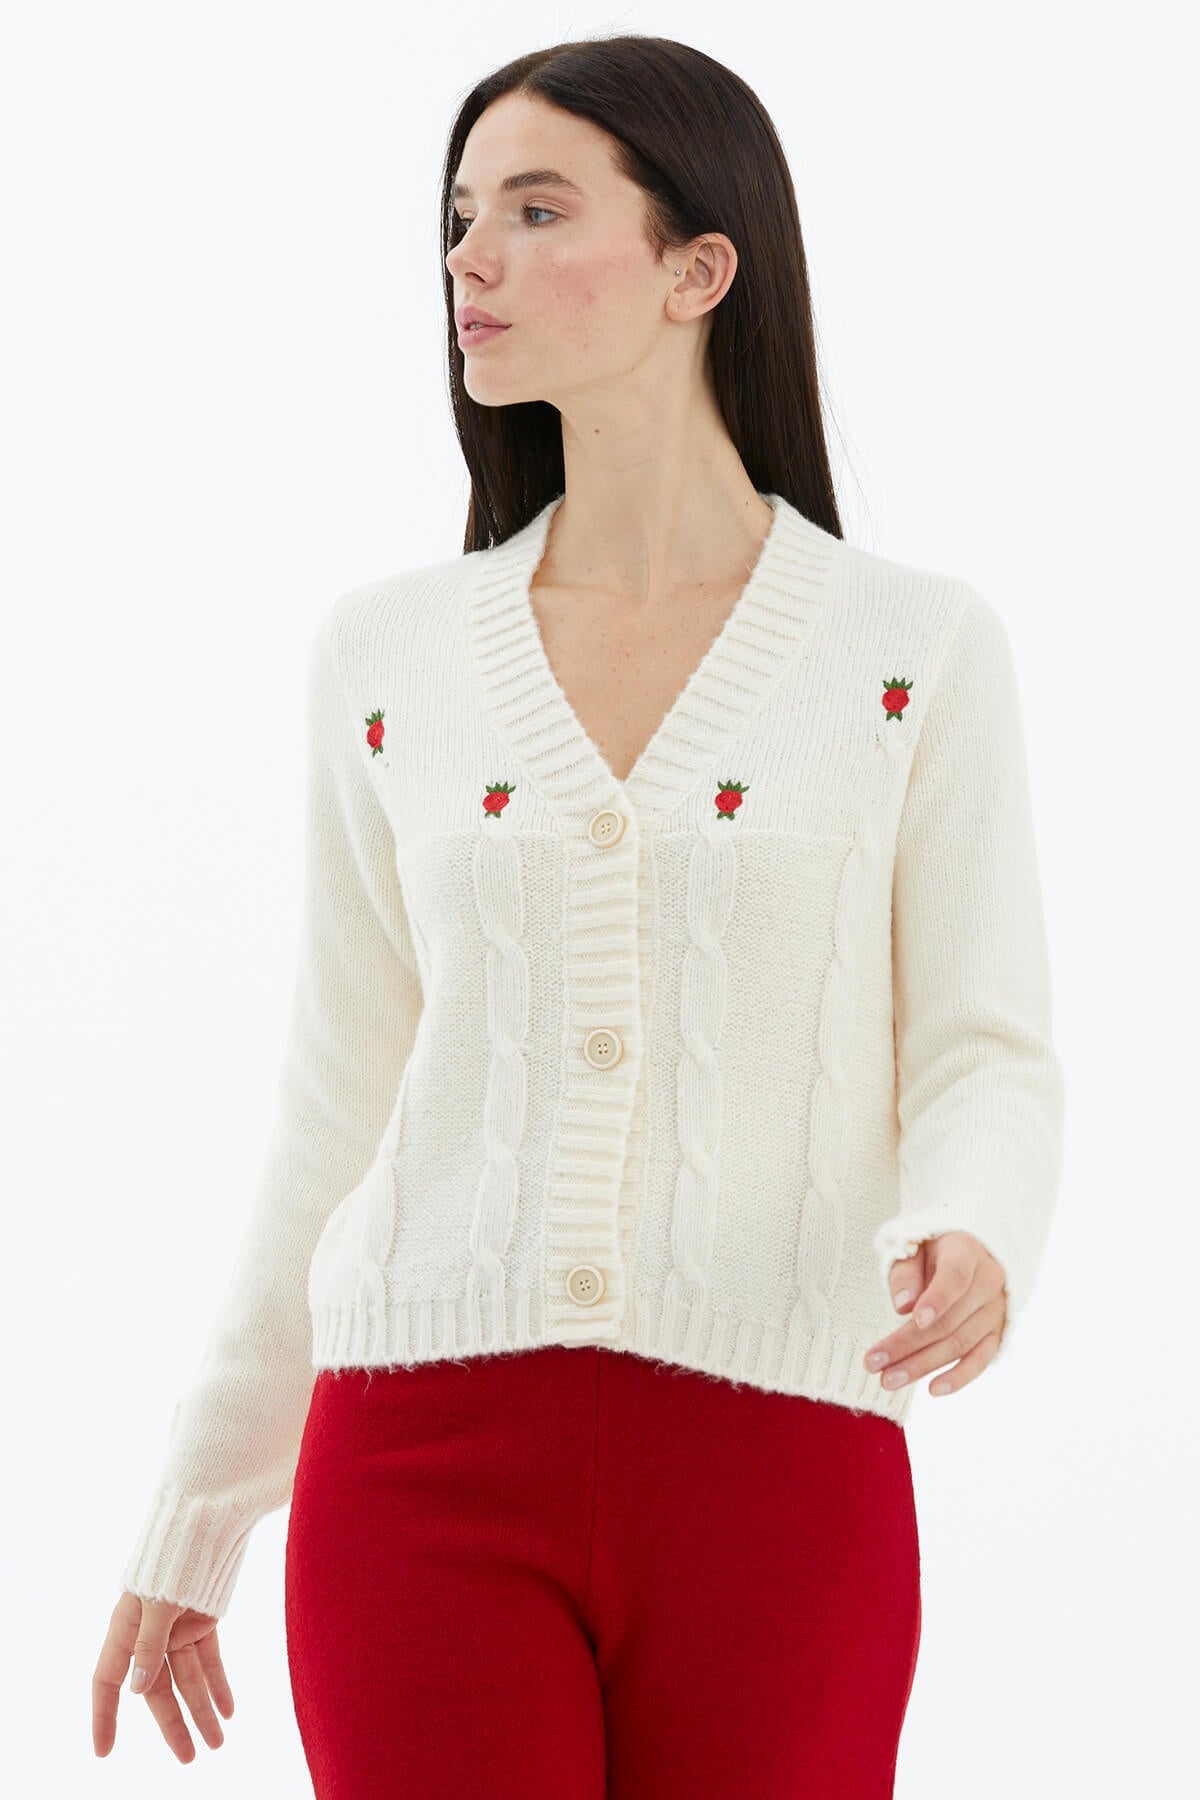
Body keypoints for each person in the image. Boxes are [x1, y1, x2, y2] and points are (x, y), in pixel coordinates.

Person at [92, 33, 1065, 1797]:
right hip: (417, 1472)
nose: (469, 258)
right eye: (461, 216)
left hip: (784, 1465)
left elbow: (983, 1042)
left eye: (537, 212)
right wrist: (202, 1504)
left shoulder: (912, 652)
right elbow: (333, 1103)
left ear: (700, 269)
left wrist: (976, 1223)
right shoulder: (385, 657)